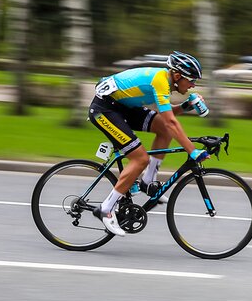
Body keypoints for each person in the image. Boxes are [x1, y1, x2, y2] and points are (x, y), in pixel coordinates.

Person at [88, 51, 211, 236]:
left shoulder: (166, 81)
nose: (193, 85)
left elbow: (166, 118)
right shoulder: (161, 81)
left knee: (163, 129)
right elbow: (172, 121)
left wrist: (186, 106)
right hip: (104, 110)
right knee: (140, 159)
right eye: (192, 80)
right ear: (178, 76)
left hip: (122, 107)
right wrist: (193, 151)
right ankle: (106, 209)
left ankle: (147, 181)